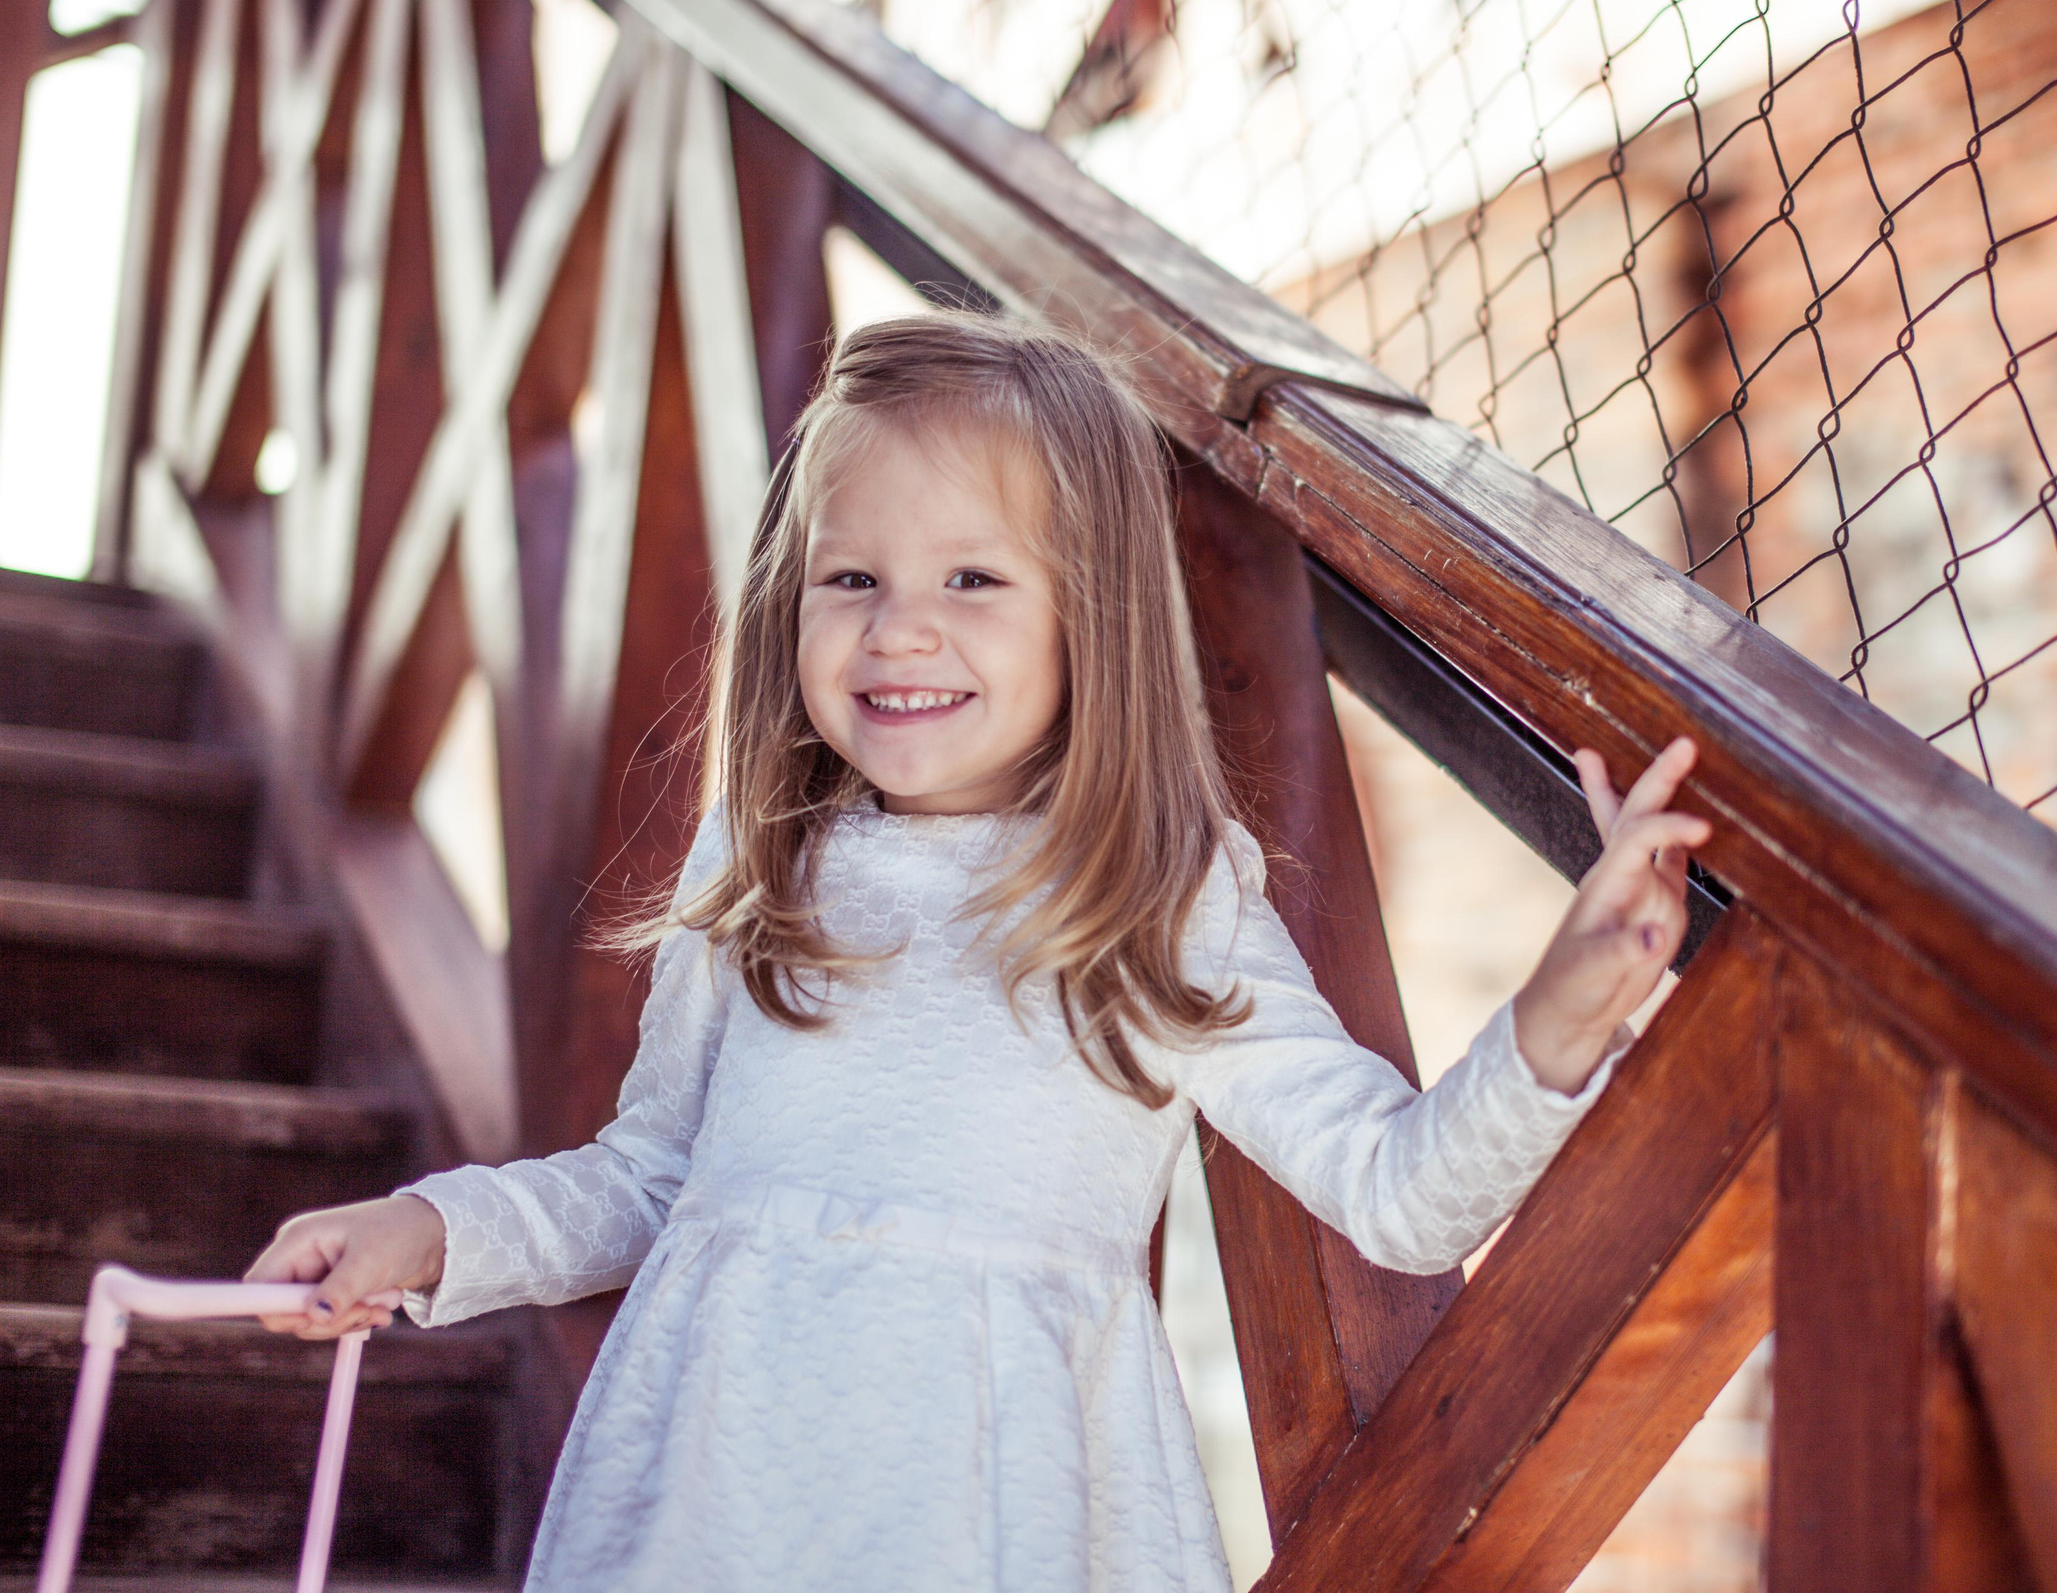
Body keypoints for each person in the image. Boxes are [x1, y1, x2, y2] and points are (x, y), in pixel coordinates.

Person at [244, 310, 1710, 1590]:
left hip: (994, 1511)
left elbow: (1397, 1195)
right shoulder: (759, 870)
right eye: (852, 579)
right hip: (717, 1497)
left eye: (974, 582)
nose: (900, 633)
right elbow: (649, 1182)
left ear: (1096, 622)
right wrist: (434, 1237)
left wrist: (1558, 1019)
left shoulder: (1151, 892)